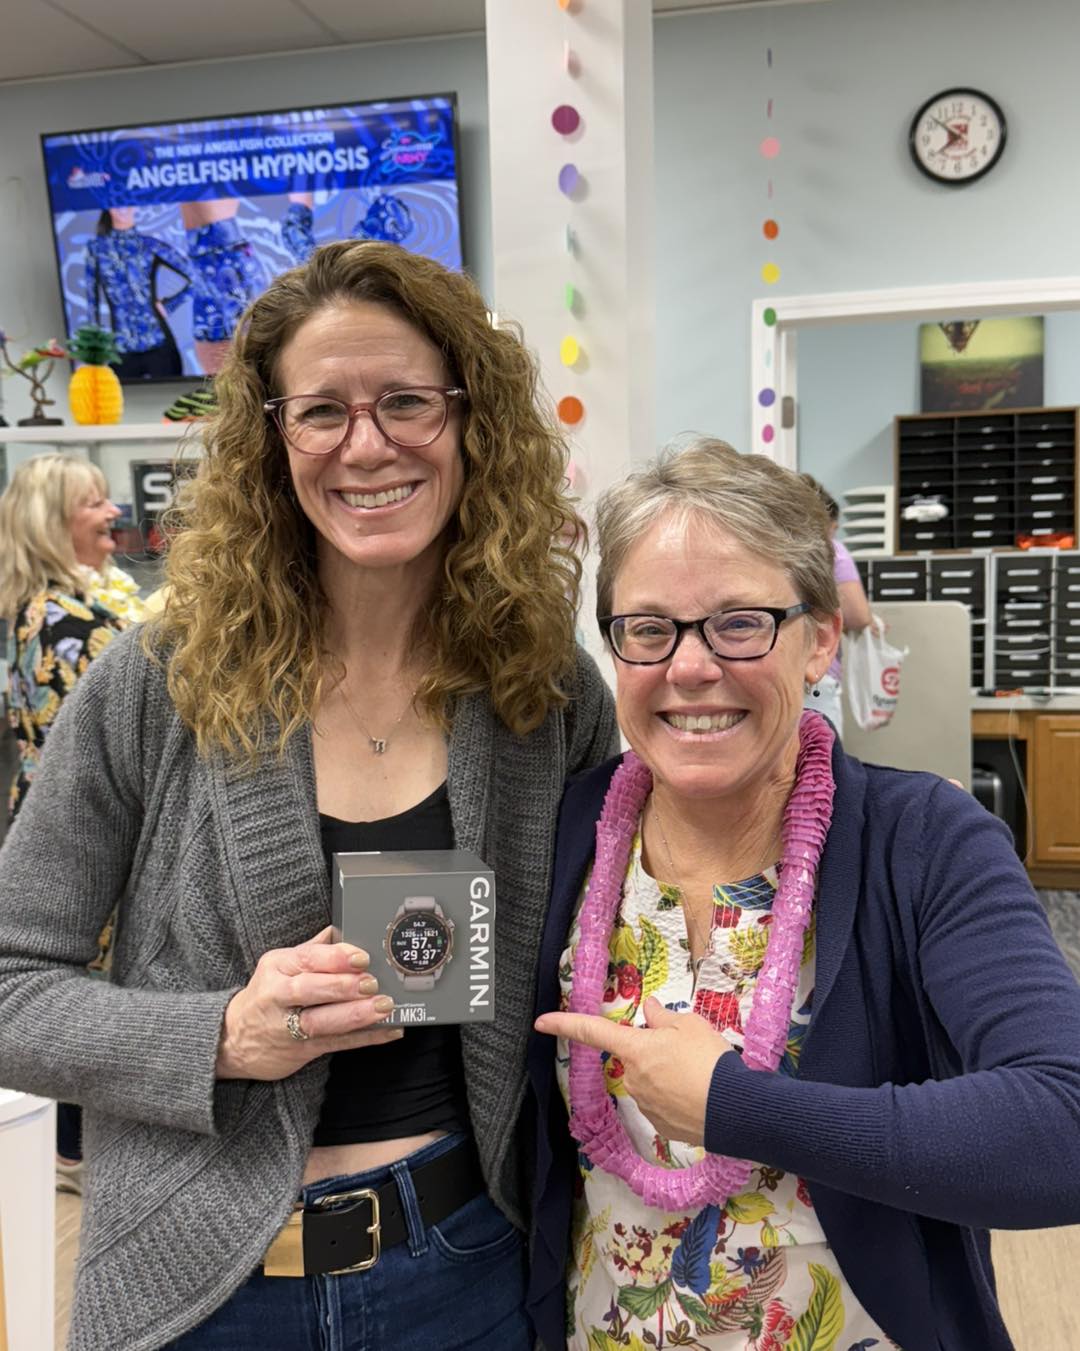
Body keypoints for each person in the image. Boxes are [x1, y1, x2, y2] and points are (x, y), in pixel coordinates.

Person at [0, 239, 616, 1351]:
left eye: (407, 402)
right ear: (271, 439)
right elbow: (7, 988)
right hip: (201, 1289)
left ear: (473, 421)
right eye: (321, 411)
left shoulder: (545, 690)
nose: (367, 444)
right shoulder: (159, 680)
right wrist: (221, 1033)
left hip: (468, 1270)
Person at [528, 438, 1080, 1351]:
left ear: (821, 636)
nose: (691, 667)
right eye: (649, 628)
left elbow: (1061, 1125)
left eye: (740, 622)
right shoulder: (569, 832)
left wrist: (738, 1104)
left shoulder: (925, 839)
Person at [0, 452, 132, 1193]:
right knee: (87, 976)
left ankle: (71, 1141)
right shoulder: (72, 619)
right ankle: (78, 1148)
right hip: (87, 831)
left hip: (42, 815)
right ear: (55, 524)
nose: (111, 513)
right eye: (93, 503)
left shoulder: (29, 610)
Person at [799, 474, 872, 737]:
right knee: (822, 766)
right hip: (816, 677)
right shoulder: (831, 550)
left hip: (774, 679)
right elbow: (858, 615)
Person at [85, 207, 192, 379]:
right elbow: (92, 301)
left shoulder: (149, 245)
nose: (122, 209)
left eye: (127, 204)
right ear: (108, 208)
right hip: (121, 351)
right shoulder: (97, 249)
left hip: (159, 345)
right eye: (116, 204)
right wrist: (94, 348)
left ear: (134, 206)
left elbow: (195, 275)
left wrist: (171, 305)